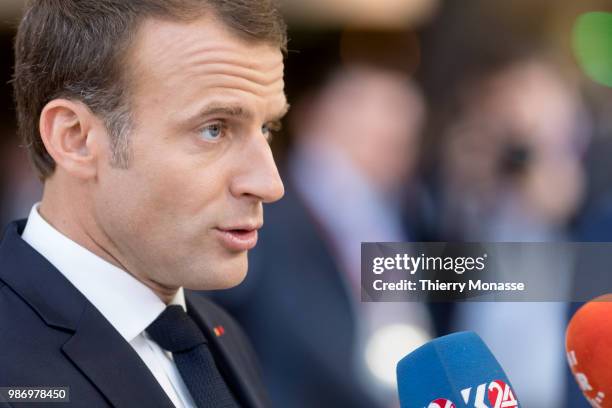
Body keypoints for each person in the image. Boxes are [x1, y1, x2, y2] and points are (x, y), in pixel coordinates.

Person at [1, 0, 288, 407]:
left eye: (266, 127)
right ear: (75, 138)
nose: (269, 184)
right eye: (213, 129)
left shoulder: (218, 335)